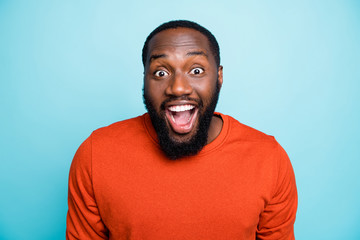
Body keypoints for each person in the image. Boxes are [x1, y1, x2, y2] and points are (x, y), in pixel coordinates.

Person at [66, 20, 297, 240]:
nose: (177, 88)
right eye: (161, 73)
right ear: (144, 80)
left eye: (196, 71)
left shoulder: (268, 159)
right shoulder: (96, 155)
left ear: (219, 77)